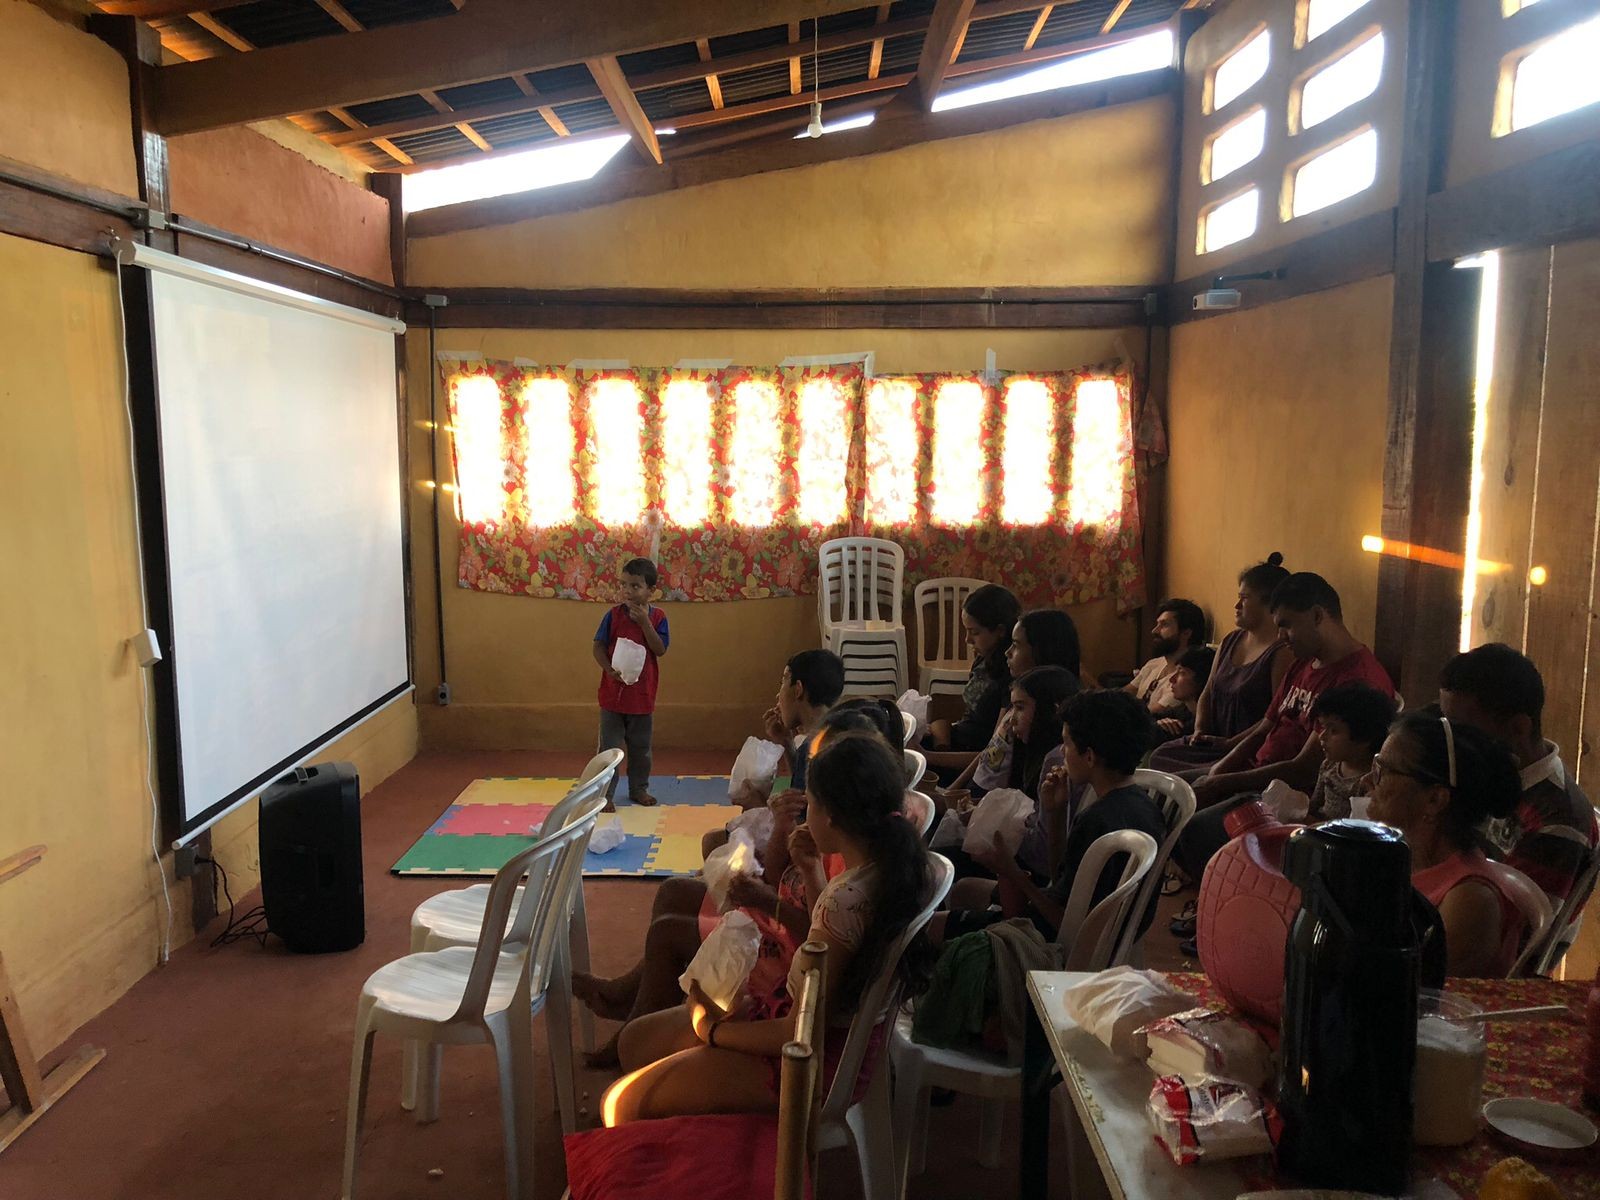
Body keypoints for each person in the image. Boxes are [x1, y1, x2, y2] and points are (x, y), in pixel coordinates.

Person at [602, 734, 938, 1124]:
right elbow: (828, 947)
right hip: (796, 1027)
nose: (805, 813)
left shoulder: (846, 899)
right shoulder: (887, 869)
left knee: (620, 1104)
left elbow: (799, 1032)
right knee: (635, 1043)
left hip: (803, 1066)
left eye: (809, 803)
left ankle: (720, 1150)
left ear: (829, 816)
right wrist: (812, 871)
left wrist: (711, 1031)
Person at [574, 703, 911, 1066]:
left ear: (833, 809)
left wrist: (713, 1030)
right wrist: (787, 838)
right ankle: (634, 1004)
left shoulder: (848, 887)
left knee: (666, 944)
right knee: (673, 899)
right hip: (790, 984)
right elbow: (806, 911)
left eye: (811, 801)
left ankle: (639, 1021)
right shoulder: (867, 850)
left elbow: (804, 1009)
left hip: (785, 1008)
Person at [1166, 573, 1394, 887]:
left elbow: (1303, 769)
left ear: (1317, 616)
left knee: (1195, 825)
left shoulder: (1356, 681)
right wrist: (1220, 770)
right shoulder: (1304, 663)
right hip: (1257, 773)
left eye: (1287, 624)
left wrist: (1221, 783)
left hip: (1289, 794)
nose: (1282, 636)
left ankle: (1222, 899)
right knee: (1169, 791)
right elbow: (1264, 727)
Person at [941, 690, 1166, 942]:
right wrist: (1055, 814)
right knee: (965, 889)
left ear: (1089, 756)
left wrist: (1011, 871)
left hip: (1056, 942)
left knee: (937, 926)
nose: (1062, 751)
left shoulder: (1096, 820)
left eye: (1067, 743)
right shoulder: (1145, 807)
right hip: (1108, 935)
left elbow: (1067, 924)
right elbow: (1062, 884)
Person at [1364, 712, 1527, 977]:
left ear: (1435, 800)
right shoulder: (1399, 860)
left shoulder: (1469, 899)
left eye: (1383, 771)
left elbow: (1422, 998)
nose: (1367, 781)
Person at [1438, 644, 1598, 906]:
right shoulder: (1482, 769)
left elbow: (1510, 927)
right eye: (1446, 724)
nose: (1452, 741)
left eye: (1464, 730)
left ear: (1518, 728)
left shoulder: (1558, 821)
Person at [1149, 554, 1292, 772]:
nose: (1236, 605)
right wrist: (1199, 729)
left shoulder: (1282, 652)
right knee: (1160, 756)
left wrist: (1231, 744)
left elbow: (1273, 719)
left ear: (1269, 604)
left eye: (1244, 598)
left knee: (1181, 778)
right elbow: (1207, 692)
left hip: (1245, 750)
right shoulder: (1230, 641)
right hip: (1213, 742)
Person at [712, 650, 846, 859]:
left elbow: (802, 829)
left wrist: (756, 803)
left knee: (712, 844)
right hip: (817, 844)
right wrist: (786, 743)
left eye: (783, 683)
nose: (778, 695)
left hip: (810, 855)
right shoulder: (831, 731)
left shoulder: (819, 748)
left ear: (798, 690)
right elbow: (804, 791)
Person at [955, 609, 1084, 799]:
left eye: (1016, 645)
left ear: (1041, 649)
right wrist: (954, 790)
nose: (1007, 652)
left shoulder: (1043, 716)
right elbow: (988, 755)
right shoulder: (1019, 699)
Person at [593, 556, 669, 808]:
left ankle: (639, 789)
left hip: (642, 698)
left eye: (635, 586)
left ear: (651, 591)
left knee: (641, 751)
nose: (627, 591)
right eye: (624, 584)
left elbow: (660, 649)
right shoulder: (613, 616)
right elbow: (598, 647)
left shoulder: (658, 618)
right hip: (612, 698)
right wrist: (608, 669)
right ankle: (605, 795)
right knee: (610, 751)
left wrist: (645, 623)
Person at [925, 584, 1022, 755]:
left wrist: (929, 757)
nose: (967, 640)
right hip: (957, 742)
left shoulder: (1009, 677)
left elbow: (992, 754)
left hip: (971, 756)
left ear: (999, 630)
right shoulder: (983, 661)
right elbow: (969, 720)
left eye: (974, 632)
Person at [1306, 681, 1394, 821]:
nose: (1322, 736)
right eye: (1323, 727)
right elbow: (1314, 806)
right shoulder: (1328, 766)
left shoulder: (1369, 781)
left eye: (1334, 730)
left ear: (1364, 738)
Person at [1124, 599, 1206, 716]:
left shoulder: (1182, 683)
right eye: (1157, 624)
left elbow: (1149, 715)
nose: (1154, 631)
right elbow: (1121, 696)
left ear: (1186, 633)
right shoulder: (1154, 664)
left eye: (1164, 625)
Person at [1153, 645, 1215, 741]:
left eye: (1182, 673)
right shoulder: (1183, 710)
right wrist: (1156, 723)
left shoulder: (1209, 723)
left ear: (1202, 678)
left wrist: (1155, 728)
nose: (1171, 679)